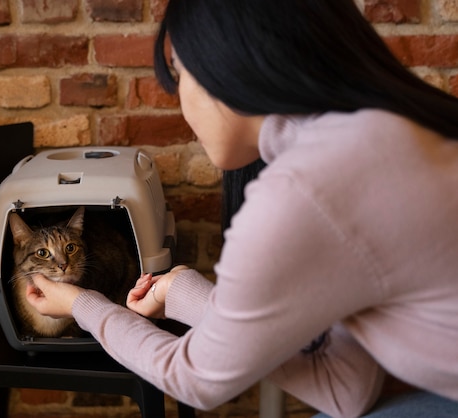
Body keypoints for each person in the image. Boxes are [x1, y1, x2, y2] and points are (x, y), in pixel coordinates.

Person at [24, 0, 458, 416]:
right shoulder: (382, 129)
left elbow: (191, 377)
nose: (181, 102)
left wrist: (81, 303)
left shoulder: (306, 190)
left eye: (179, 74)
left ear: (225, 62)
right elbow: (345, 387)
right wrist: (181, 294)